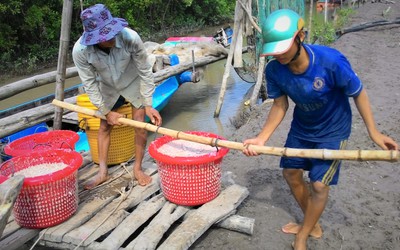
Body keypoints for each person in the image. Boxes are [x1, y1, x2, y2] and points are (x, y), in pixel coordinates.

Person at [242, 9, 398, 250]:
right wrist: (262, 138)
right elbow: (280, 104)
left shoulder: (331, 61)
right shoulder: (274, 70)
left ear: (300, 37)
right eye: (275, 50)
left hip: (333, 130)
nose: (279, 55)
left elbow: (358, 93)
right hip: (302, 127)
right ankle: (311, 223)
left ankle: (303, 235)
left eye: (283, 48)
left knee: (318, 185)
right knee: (291, 174)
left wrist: (374, 133)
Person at [72, 4, 162, 189]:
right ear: (94, 39)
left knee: (141, 126)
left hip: (132, 81)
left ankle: (138, 169)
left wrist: (148, 104)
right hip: (107, 87)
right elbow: (89, 84)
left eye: (112, 32)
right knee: (104, 126)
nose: (111, 38)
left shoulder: (130, 37)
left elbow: (145, 71)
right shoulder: (80, 51)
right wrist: (106, 112)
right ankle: (102, 172)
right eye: (106, 37)